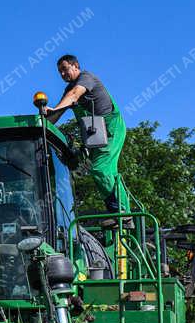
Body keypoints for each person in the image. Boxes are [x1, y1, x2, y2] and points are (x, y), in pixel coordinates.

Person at [42, 54, 130, 215]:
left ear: (76, 65)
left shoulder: (86, 78)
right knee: (86, 168)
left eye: (65, 69)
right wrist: (40, 123)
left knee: (101, 169)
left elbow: (75, 95)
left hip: (111, 129)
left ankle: (122, 213)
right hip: (94, 135)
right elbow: (57, 113)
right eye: (59, 72)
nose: (62, 74)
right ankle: (117, 209)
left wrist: (54, 109)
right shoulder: (68, 90)